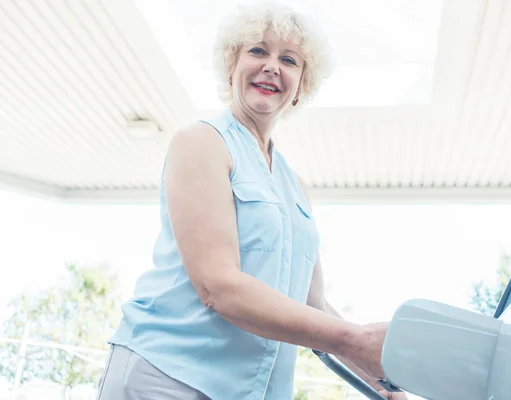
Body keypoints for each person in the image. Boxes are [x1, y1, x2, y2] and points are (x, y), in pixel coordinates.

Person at [96, 1, 407, 399]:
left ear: (300, 87)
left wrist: (382, 386)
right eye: (258, 51)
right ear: (231, 66)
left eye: (289, 59)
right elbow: (218, 285)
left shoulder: (294, 185)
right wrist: (354, 339)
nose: (272, 66)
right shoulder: (202, 142)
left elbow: (313, 307)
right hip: (168, 376)